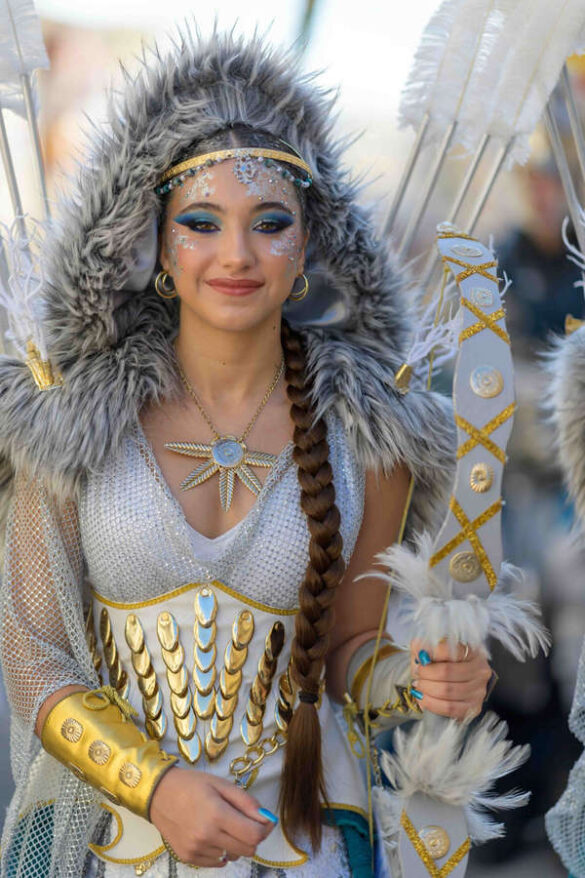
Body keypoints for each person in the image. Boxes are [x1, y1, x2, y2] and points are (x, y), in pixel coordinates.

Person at [0, 30, 492, 878]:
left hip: (306, 848)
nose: (236, 255)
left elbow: (348, 653)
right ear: (159, 246)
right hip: (114, 848)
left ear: (306, 248)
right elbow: (31, 651)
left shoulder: (369, 435)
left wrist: (416, 679)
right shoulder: (69, 418)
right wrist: (153, 786)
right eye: (201, 224)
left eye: (269, 224)